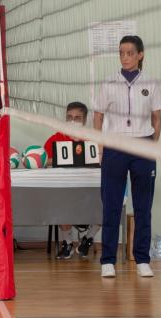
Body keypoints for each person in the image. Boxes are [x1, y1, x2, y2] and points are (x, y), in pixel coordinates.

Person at [94, 35, 161, 278]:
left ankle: (143, 259)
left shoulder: (151, 83)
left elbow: (156, 117)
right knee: (111, 205)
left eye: (130, 53)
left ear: (140, 54)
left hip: (143, 145)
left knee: (143, 206)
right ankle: (108, 261)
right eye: (121, 53)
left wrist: (152, 146)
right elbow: (98, 116)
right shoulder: (109, 83)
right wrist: (101, 147)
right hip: (115, 146)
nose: (125, 57)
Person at [43, 102, 101, 260]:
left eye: (77, 118)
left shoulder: (94, 138)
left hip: (89, 188)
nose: (72, 121)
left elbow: (103, 159)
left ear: (84, 120)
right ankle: (67, 243)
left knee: (108, 201)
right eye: (69, 117)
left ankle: (88, 238)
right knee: (61, 201)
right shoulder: (56, 138)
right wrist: (58, 160)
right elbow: (43, 161)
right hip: (66, 188)